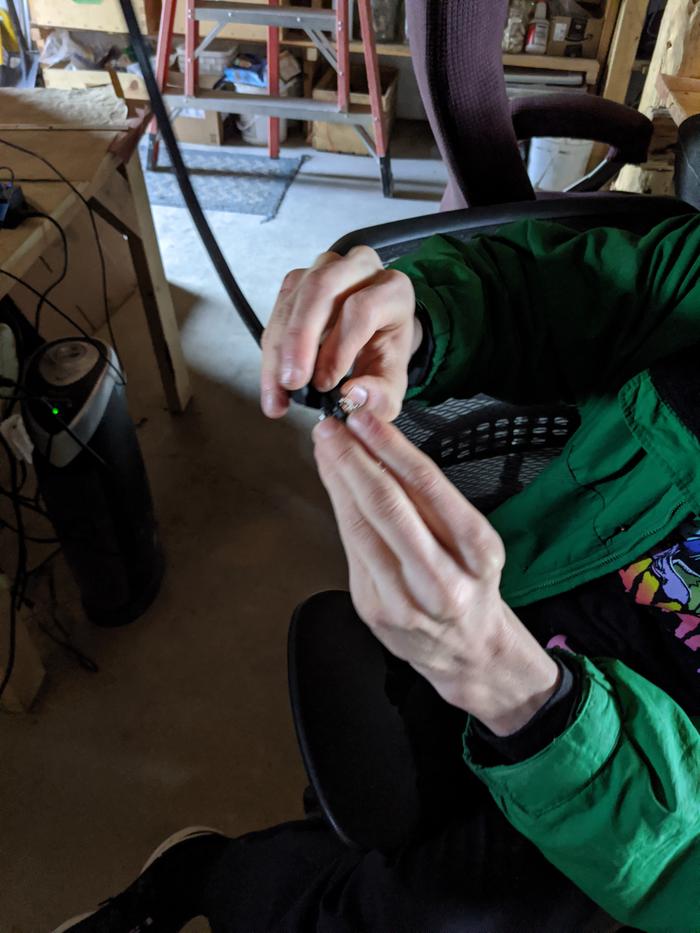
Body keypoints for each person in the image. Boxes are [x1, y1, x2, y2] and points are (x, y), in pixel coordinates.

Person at [55, 216, 700, 933]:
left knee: (432, 912)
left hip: (642, 816)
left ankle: (223, 878)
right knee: (386, 792)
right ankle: (215, 874)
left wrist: (522, 698)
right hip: (547, 589)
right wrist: (421, 315)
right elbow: (579, 288)